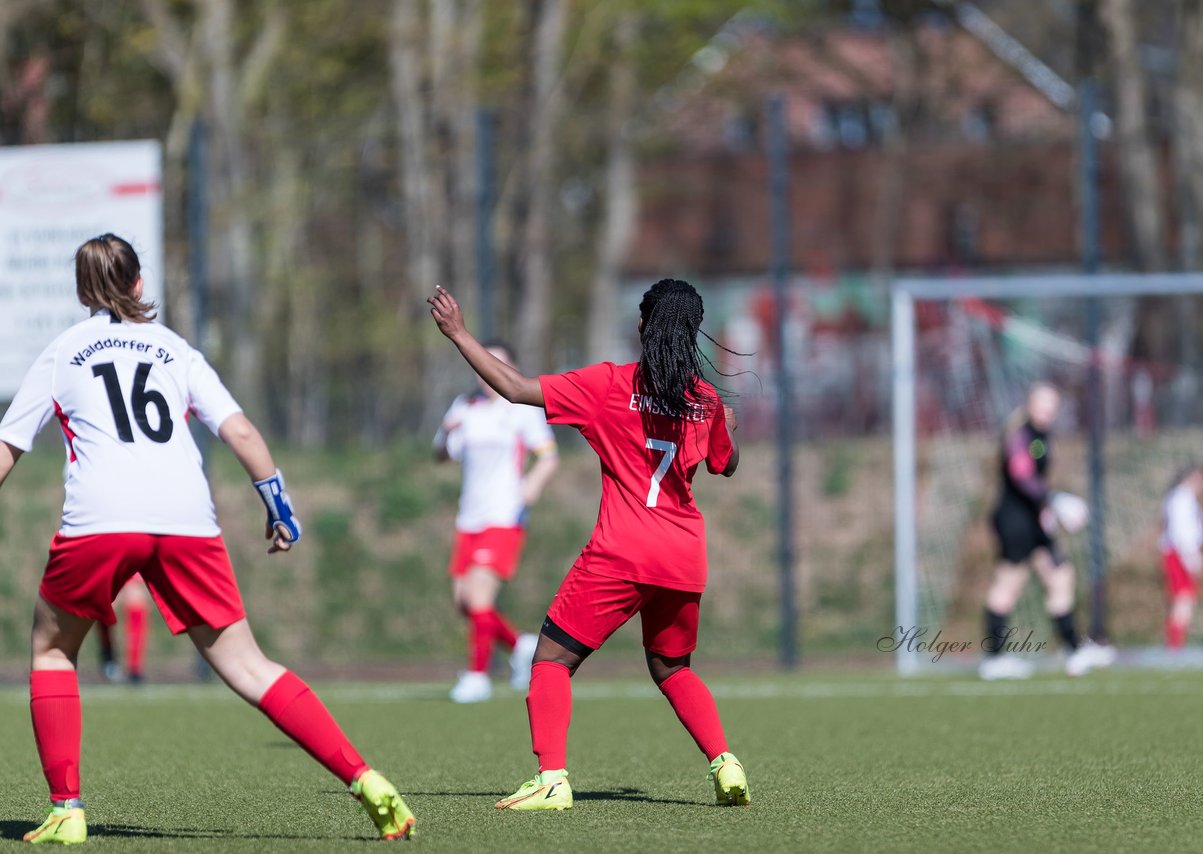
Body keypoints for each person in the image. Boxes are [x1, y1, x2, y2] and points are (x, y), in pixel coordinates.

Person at [0, 234, 414, 844]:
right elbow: (240, 432)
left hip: (102, 518)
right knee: (248, 665)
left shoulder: (64, 350)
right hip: (187, 519)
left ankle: (67, 808)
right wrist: (278, 507)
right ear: (140, 284)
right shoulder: (176, 351)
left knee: (53, 650)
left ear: (84, 293)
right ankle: (365, 778)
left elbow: (8, 447)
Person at [428, 278, 751, 811]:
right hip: (685, 556)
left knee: (550, 660)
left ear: (642, 326)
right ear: (693, 333)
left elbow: (515, 388)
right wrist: (730, 428)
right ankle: (725, 762)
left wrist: (459, 334)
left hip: (622, 552)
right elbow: (727, 463)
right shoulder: (706, 399)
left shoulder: (609, 384)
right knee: (674, 669)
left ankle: (551, 779)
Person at [433, 340, 558, 703]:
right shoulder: (465, 406)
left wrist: (530, 486)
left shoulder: (520, 410)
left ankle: (478, 677)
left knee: (479, 597)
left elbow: (548, 456)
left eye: (496, 364)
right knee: (464, 602)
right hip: (468, 517)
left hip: (503, 515)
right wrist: (445, 431)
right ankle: (521, 647)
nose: (486, 373)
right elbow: (442, 454)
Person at [978, 383, 1115, 680]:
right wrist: (1053, 500)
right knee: (1008, 585)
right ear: (1029, 404)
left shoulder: (1041, 437)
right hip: (1014, 522)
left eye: (1052, 407)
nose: (1048, 412)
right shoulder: (1020, 435)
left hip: (1033, 521)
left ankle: (1074, 651)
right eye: (1043, 405)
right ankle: (993, 658)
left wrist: (1046, 510)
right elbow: (1021, 475)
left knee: (1061, 577)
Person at [1161, 464, 1203, 650]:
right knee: (1183, 598)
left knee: (1185, 599)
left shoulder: (1185, 497)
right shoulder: (1181, 498)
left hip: (1181, 552)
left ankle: (1176, 644)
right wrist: (1190, 556)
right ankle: (1174, 645)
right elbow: (1180, 532)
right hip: (1179, 553)